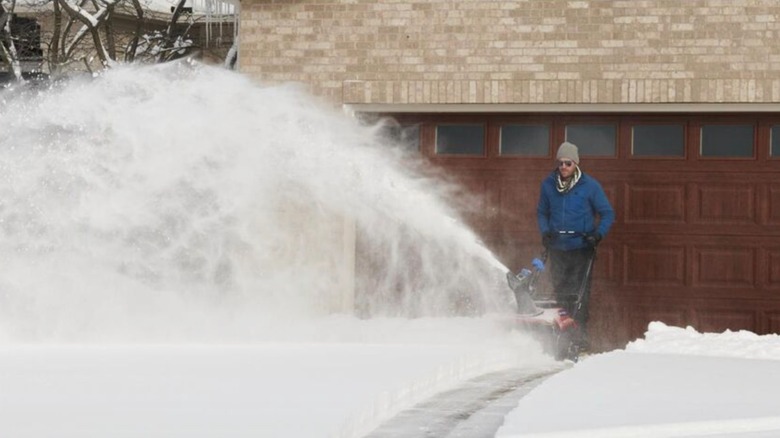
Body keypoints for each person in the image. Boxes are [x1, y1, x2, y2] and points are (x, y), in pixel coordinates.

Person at [536, 141, 614, 349]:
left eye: (568, 163)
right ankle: (562, 333)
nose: (563, 167)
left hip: (581, 248)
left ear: (576, 163)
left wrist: (597, 235)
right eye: (560, 163)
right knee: (561, 291)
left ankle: (579, 336)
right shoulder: (548, 185)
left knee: (579, 293)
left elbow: (607, 213)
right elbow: (542, 212)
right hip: (557, 248)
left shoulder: (590, 186)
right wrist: (545, 232)